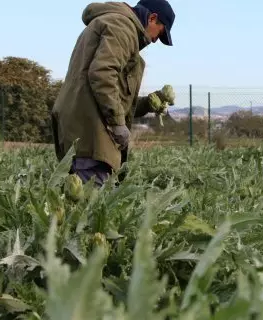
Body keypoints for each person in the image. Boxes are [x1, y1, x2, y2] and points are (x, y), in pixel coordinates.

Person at [51, 0, 176, 187]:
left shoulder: (113, 23)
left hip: (85, 129)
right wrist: (117, 124)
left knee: (84, 206)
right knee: (92, 207)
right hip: (91, 134)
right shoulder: (122, 28)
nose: (156, 40)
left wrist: (149, 104)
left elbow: (115, 95)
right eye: (161, 32)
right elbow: (102, 74)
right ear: (152, 18)